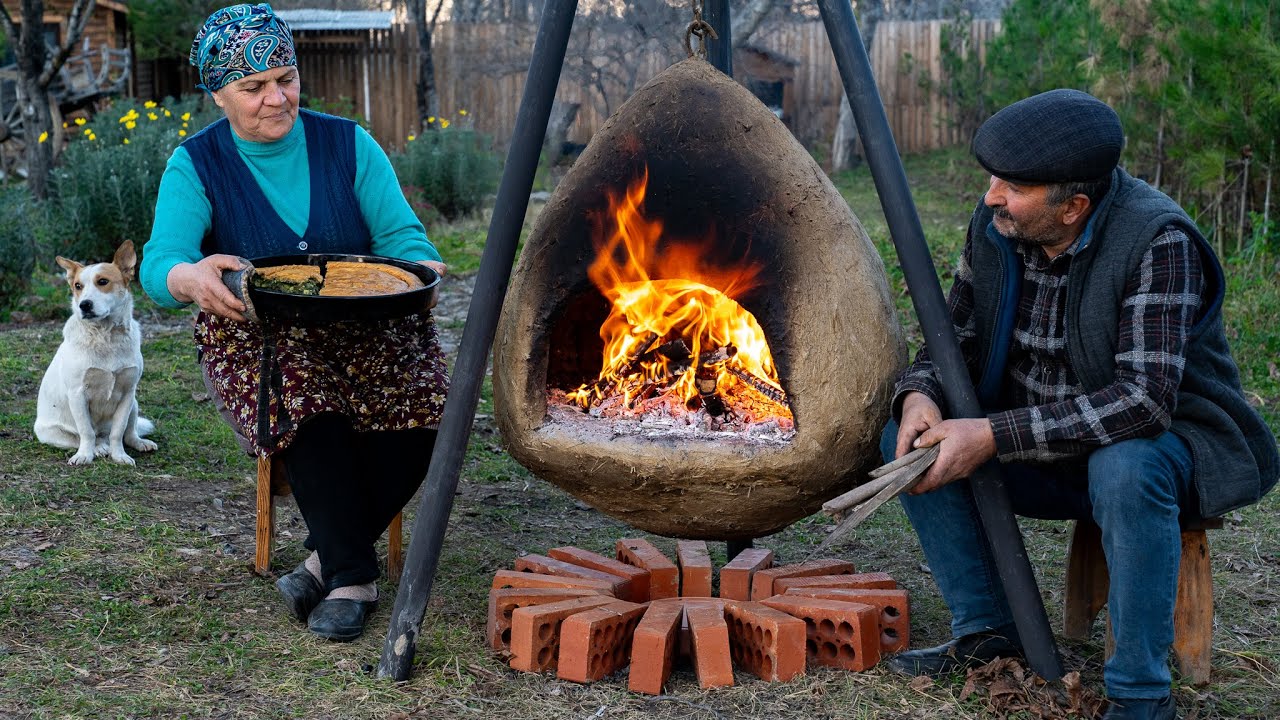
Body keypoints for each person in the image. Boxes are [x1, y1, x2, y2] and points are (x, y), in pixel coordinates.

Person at [880, 89, 1278, 720]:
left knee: (1126, 464)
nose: (991, 197)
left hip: (1167, 449)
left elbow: (1144, 404)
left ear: (1073, 207)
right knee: (904, 444)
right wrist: (919, 395)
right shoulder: (997, 228)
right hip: (1039, 448)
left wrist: (992, 435)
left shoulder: (1157, 241)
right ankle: (987, 634)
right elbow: (952, 338)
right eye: (995, 180)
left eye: (1011, 186)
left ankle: (1139, 697)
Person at [140, 3, 450, 642]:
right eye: (253, 88)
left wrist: (419, 270)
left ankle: (320, 561)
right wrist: (188, 277)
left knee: (433, 402)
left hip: (367, 326)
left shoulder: (348, 143)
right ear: (218, 93)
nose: (275, 98)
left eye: (286, 78)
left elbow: (403, 236)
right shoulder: (195, 163)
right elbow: (161, 260)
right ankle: (354, 577)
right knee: (302, 390)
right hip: (258, 333)